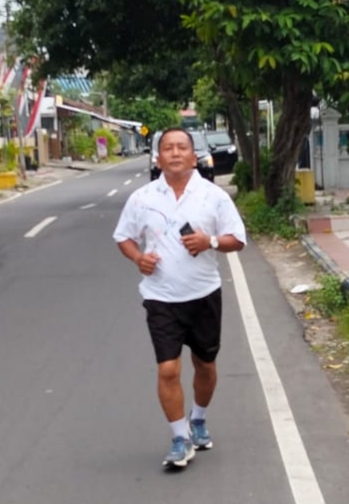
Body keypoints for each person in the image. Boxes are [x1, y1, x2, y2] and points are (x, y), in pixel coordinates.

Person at [112, 127, 247, 468]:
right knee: (168, 369)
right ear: (157, 158)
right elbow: (124, 237)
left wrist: (210, 242)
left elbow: (238, 239)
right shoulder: (142, 198)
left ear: (193, 156)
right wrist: (138, 258)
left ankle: (198, 418)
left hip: (203, 295)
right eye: (167, 148)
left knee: (205, 365)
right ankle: (179, 438)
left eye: (181, 147)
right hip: (160, 298)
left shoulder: (213, 196)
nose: (174, 153)